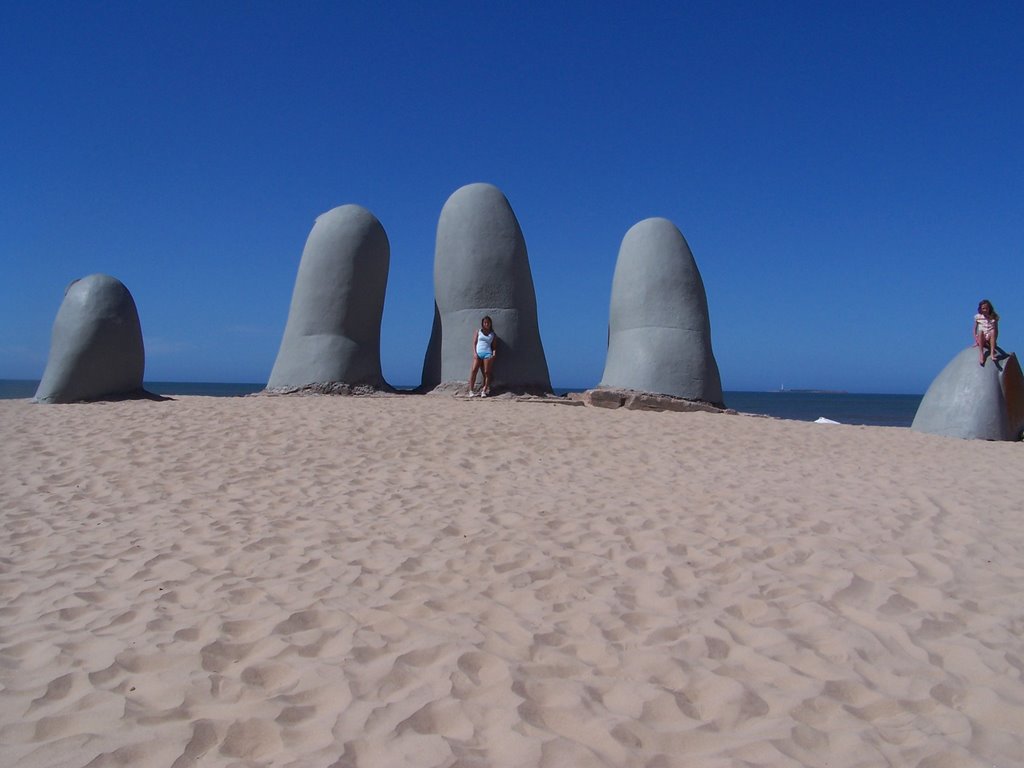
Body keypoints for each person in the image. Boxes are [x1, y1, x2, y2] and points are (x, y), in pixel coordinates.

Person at [468, 315, 497, 397]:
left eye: (488, 323)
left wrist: (494, 354)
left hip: (487, 354)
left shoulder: (492, 335)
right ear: (482, 324)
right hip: (478, 353)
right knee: (474, 371)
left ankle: (484, 390)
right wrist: (474, 353)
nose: (486, 324)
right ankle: (471, 390)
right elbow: (474, 343)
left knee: (487, 372)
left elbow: (494, 347)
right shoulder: (478, 332)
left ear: (490, 324)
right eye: (485, 323)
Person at [974, 299, 1000, 365]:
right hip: (982, 337)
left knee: (993, 331)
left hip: (990, 337)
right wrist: (976, 340)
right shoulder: (978, 317)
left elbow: (996, 330)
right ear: (981, 309)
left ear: (989, 308)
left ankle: (992, 353)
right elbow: (974, 329)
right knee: (980, 331)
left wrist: (994, 340)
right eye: (983, 308)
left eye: (986, 308)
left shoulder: (994, 317)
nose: (985, 310)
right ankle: (981, 354)